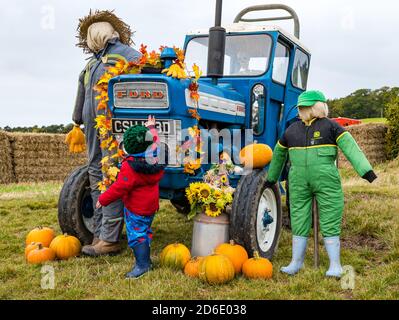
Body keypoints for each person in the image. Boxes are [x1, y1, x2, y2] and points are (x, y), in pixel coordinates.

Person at [266, 90, 377, 278]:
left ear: (313, 108)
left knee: (330, 217)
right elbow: (278, 154)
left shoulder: (331, 127)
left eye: (302, 108)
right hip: (298, 181)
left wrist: (367, 172)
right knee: (298, 218)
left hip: (327, 180)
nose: (299, 111)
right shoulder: (292, 130)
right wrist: (271, 178)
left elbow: (351, 148)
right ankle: (296, 262)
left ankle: (335, 265)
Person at [72, 10, 141, 256]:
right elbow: (81, 96)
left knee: (110, 172)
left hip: (115, 124)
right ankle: (99, 232)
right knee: (94, 173)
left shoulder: (128, 55)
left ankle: (110, 239)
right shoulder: (90, 65)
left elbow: (147, 73)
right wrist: (76, 121)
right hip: (92, 127)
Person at [96, 116, 165, 279]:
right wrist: (152, 128)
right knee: (145, 230)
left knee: (136, 236)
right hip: (151, 206)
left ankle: (143, 265)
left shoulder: (130, 167)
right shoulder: (155, 155)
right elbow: (155, 142)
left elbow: (119, 188)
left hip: (136, 209)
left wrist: (103, 199)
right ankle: (145, 256)